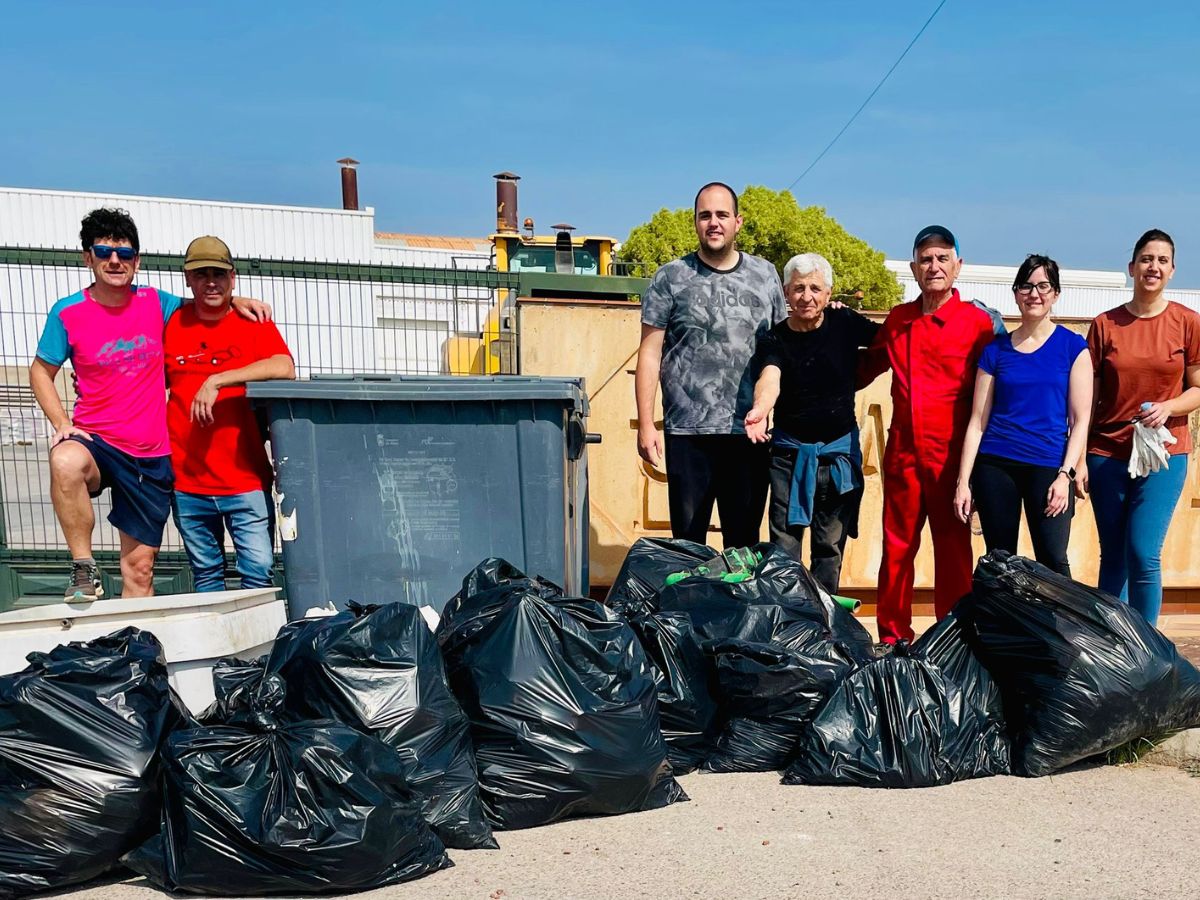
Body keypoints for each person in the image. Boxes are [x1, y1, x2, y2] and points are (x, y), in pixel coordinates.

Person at [28, 208, 269, 601]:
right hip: (96, 440)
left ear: (137, 261)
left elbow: (205, 301)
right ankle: (83, 567)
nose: (114, 261)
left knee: (139, 570)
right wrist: (60, 422)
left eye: (124, 254)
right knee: (64, 460)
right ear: (87, 257)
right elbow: (40, 371)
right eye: (103, 251)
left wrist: (235, 297)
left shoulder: (157, 303)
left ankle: (132, 655)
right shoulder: (67, 312)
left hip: (147, 454)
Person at [859, 225, 1004, 645]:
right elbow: (863, 368)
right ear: (913, 268)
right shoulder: (899, 319)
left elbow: (1001, 387)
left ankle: (953, 639)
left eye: (943, 258)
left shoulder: (978, 324)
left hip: (953, 459)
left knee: (954, 551)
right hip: (904, 453)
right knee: (897, 547)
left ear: (958, 266)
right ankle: (891, 636)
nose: (934, 267)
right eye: (926, 260)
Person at [635, 182, 787, 547]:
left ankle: (738, 607)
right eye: (705, 216)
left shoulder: (765, 276)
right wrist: (644, 424)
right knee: (688, 547)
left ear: (738, 222)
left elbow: (783, 349)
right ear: (695, 223)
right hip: (688, 434)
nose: (713, 223)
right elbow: (649, 353)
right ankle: (693, 606)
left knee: (745, 546)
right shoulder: (669, 278)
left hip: (747, 433)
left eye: (722, 215)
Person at [1083, 229, 1200, 626]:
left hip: (1164, 455)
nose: (1154, 267)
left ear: (1172, 270)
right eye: (1146, 259)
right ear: (1132, 267)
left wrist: (1169, 407)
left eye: (1162, 260)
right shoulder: (1104, 325)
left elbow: (1198, 388)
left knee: (1142, 551)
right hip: (1107, 452)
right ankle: (1112, 650)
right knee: (1113, 553)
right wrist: (1077, 456)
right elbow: (1089, 397)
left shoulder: (1188, 323)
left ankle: (1146, 651)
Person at [165, 236, 295, 592]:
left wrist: (218, 379)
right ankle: (215, 649)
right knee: (207, 579)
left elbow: (284, 366)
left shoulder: (253, 323)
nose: (211, 281)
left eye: (219, 274)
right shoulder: (171, 323)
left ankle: (257, 649)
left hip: (245, 481)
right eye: (201, 274)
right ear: (188, 278)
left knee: (258, 577)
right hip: (188, 481)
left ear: (232, 278)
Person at [744, 253, 879, 593]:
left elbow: (893, 339)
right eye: (799, 288)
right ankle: (787, 621)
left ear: (829, 294)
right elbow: (770, 376)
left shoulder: (846, 323)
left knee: (828, 549)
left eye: (816, 288)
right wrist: (760, 409)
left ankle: (823, 626)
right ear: (786, 293)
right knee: (784, 549)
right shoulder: (774, 338)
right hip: (788, 459)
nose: (807, 296)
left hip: (838, 457)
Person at [954, 254, 1092, 576]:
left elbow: (1080, 420)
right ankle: (1003, 626)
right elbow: (977, 422)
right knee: (1000, 561)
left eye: (1043, 286)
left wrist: (1066, 475)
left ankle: (1062, 627)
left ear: (1055, 293)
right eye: (1026, 286)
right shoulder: (995, 351)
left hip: (1048, 466)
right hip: (996, 464)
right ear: (1016, 293)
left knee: (1053, 558)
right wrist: (964, 482)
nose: (1035, 293)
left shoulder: (1073, 347)